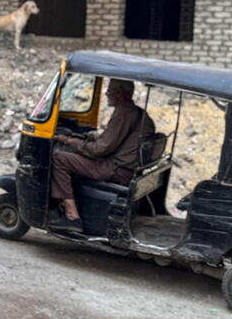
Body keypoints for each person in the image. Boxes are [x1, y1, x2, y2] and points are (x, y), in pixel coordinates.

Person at [50, 79, 155, 231]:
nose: (106, 93)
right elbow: (116, 139)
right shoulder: (137, 112)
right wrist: (92, 136)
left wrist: (69, 141)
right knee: (77, 156)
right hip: (126, 168)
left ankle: (72, 216)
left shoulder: (124, 112)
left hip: (115, 169)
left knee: (60, 158)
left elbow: (99, 150)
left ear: (119, 93)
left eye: (110, 90)